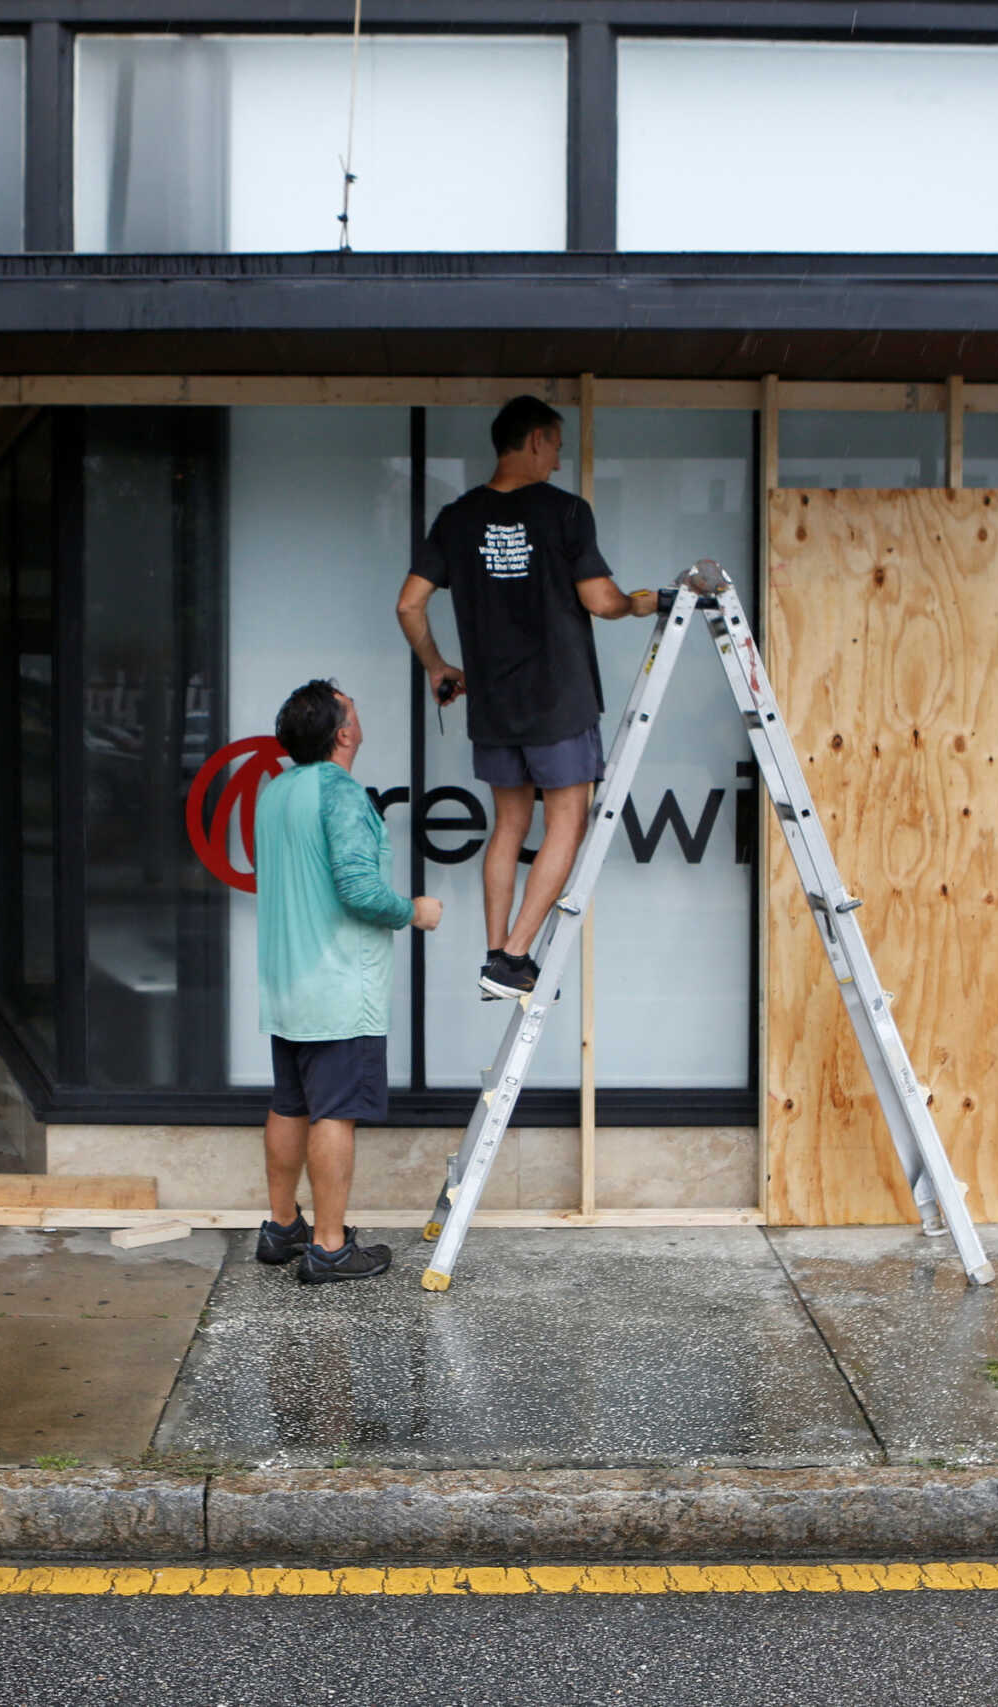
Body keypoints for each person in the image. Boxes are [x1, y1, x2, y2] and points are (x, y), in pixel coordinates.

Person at [395, 395, 658, 1000]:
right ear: (537, 439)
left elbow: (409, 604)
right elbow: (601, 601)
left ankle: (496, 958)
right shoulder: (564, 512)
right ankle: (515, 958)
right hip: (558, 699)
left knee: (509, 823)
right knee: (567, 818)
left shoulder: (457, 517)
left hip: (495, 704)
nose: (558, 461)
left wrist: (438, 667)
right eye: (558, 447)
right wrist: (638, 602)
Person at [251, 678, 444, 1284]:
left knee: (290, 1105)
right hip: (337, 984)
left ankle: (283, 1228)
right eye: (354, 712)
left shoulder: (275, 792)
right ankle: (330, 1247)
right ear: (343, 733)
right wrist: (415, 910)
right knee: (333, 1111)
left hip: (285, 981)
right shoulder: (340, 793)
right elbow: (360, 891)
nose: (359, 720)